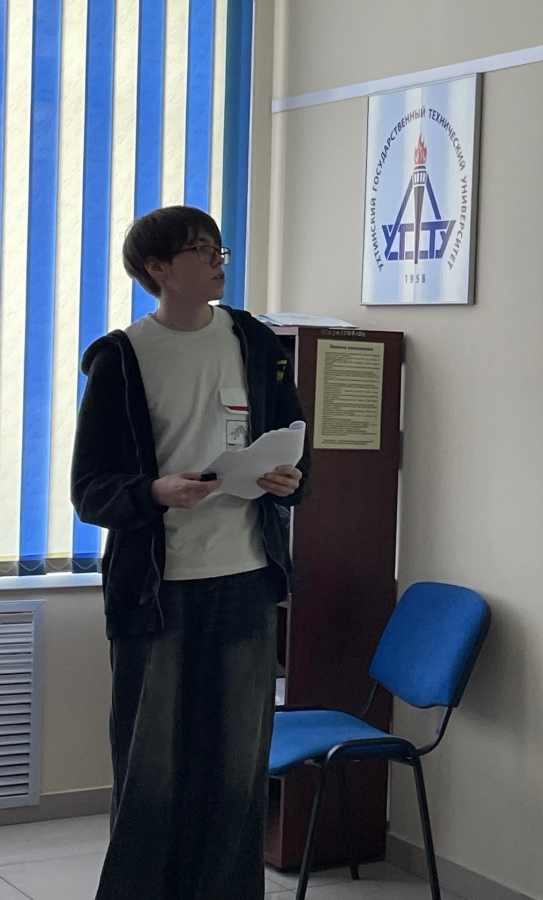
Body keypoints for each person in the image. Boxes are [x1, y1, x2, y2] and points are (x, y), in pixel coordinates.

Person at [71, 206, 310, 900]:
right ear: (157, 269)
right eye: (201, 251)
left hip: (245, 583)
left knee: (236, 769)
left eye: (219, 250)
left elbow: (297, 447)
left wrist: (290, 481)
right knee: (152, 768)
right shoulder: (121, 358)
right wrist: (154, 491)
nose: (217, 262)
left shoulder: (255, 343)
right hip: (157, 591)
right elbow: (90, 491)